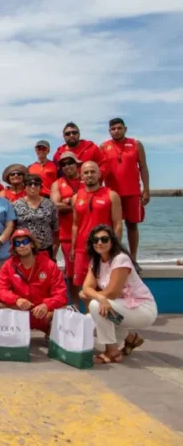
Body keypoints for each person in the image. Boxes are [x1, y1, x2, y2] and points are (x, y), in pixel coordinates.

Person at [83, 226, 157, 364]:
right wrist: (99, 296)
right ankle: (131, 338)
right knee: (87, 323)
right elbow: (86, 288)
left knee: (95, 306)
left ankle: (112, 352)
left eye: (104, 239)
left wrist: (97, 297)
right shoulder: (95, 262)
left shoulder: (120, 259)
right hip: (121, 307)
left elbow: (112, 292)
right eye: (95, 239)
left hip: (142, 309)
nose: (99, 243)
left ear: (112, 241)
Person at [0, 228, 68, 335]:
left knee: (63, 308)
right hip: (20, 311)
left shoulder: (49, 265)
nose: (22, 246)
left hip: (42, 313)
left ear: (32, 244)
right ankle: (12, 334)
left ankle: (51, 334)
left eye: (25, 242)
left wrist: (46, 305)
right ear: (14, 247)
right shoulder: (8, 265)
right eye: (17, 243)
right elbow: (0, 289)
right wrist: (16, 300)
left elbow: (61, 293)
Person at [101, 118, 150, 262]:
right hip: (112, 193)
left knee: (132, 224)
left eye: (119, 128)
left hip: (133, 192)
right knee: (112, 225)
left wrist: (146, 189)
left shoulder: (136, 144)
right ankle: (113, 255)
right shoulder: (104, 147)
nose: (116, 131)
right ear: (109, 131)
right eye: (113, 129)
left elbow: (143, 167)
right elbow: (100, 169)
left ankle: (133, 258)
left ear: (125, 129)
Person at [72, 161, 122, 290]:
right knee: (84, 287)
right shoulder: (76, 197)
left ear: (99, 174)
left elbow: (117, 223)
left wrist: (115, 247)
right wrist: (73, 247)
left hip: (103, 247)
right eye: (86, 172)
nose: (89, 175)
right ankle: (89, 311)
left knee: (104, 285)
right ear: (81, 176)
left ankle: (101, 310)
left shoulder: (112, 195)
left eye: (93, 171)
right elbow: (75, 225)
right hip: (82, 249)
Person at [49, 151, 83, 305]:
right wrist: (77, 204)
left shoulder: (86, 178)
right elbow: (54, 206)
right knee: (71, 273)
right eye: (63, 164)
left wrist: (70, 202)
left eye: (70, 162)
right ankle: (76, 306)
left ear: (77, 164)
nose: (67, 166)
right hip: (67, 234)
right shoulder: (57, 184)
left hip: (91, 234)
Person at [13, 174, 58, 259]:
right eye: (29, 184)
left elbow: (55, 229)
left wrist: (54, 249)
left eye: (36, 184)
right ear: (24, 186)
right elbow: (12, 228)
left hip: (45, 249)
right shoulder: (16, 205)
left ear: (40, 186)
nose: (33, 186)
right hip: (23, 250)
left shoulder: (50, 204)